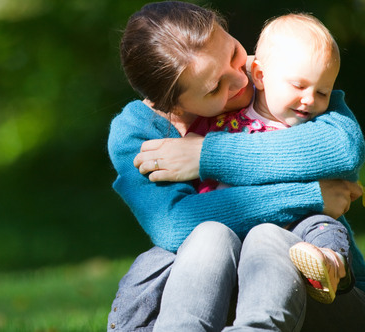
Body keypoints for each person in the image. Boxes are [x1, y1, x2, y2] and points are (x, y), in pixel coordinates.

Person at [108, 2, 365, 331]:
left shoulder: (280, 69)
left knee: (268, 240)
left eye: (232, 52)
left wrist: (208, 155)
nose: (240, 78)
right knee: (208, 238)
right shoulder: (137, 132)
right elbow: (175, 225)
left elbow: (342, 148)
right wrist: (309, 195)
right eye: (215, 87)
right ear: (174, 105)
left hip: (321, 300)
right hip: (205, 292)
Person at [187, 13, 351, 304]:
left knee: (324, 228)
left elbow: (341, 162)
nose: (311, 100)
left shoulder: (314, 126)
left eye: (323, 92)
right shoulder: (228, 119)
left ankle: (329, 265)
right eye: (299, 86)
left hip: (296, 226)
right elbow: (195, 145)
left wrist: (348, 182)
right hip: (231, 225)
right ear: (260, 76)